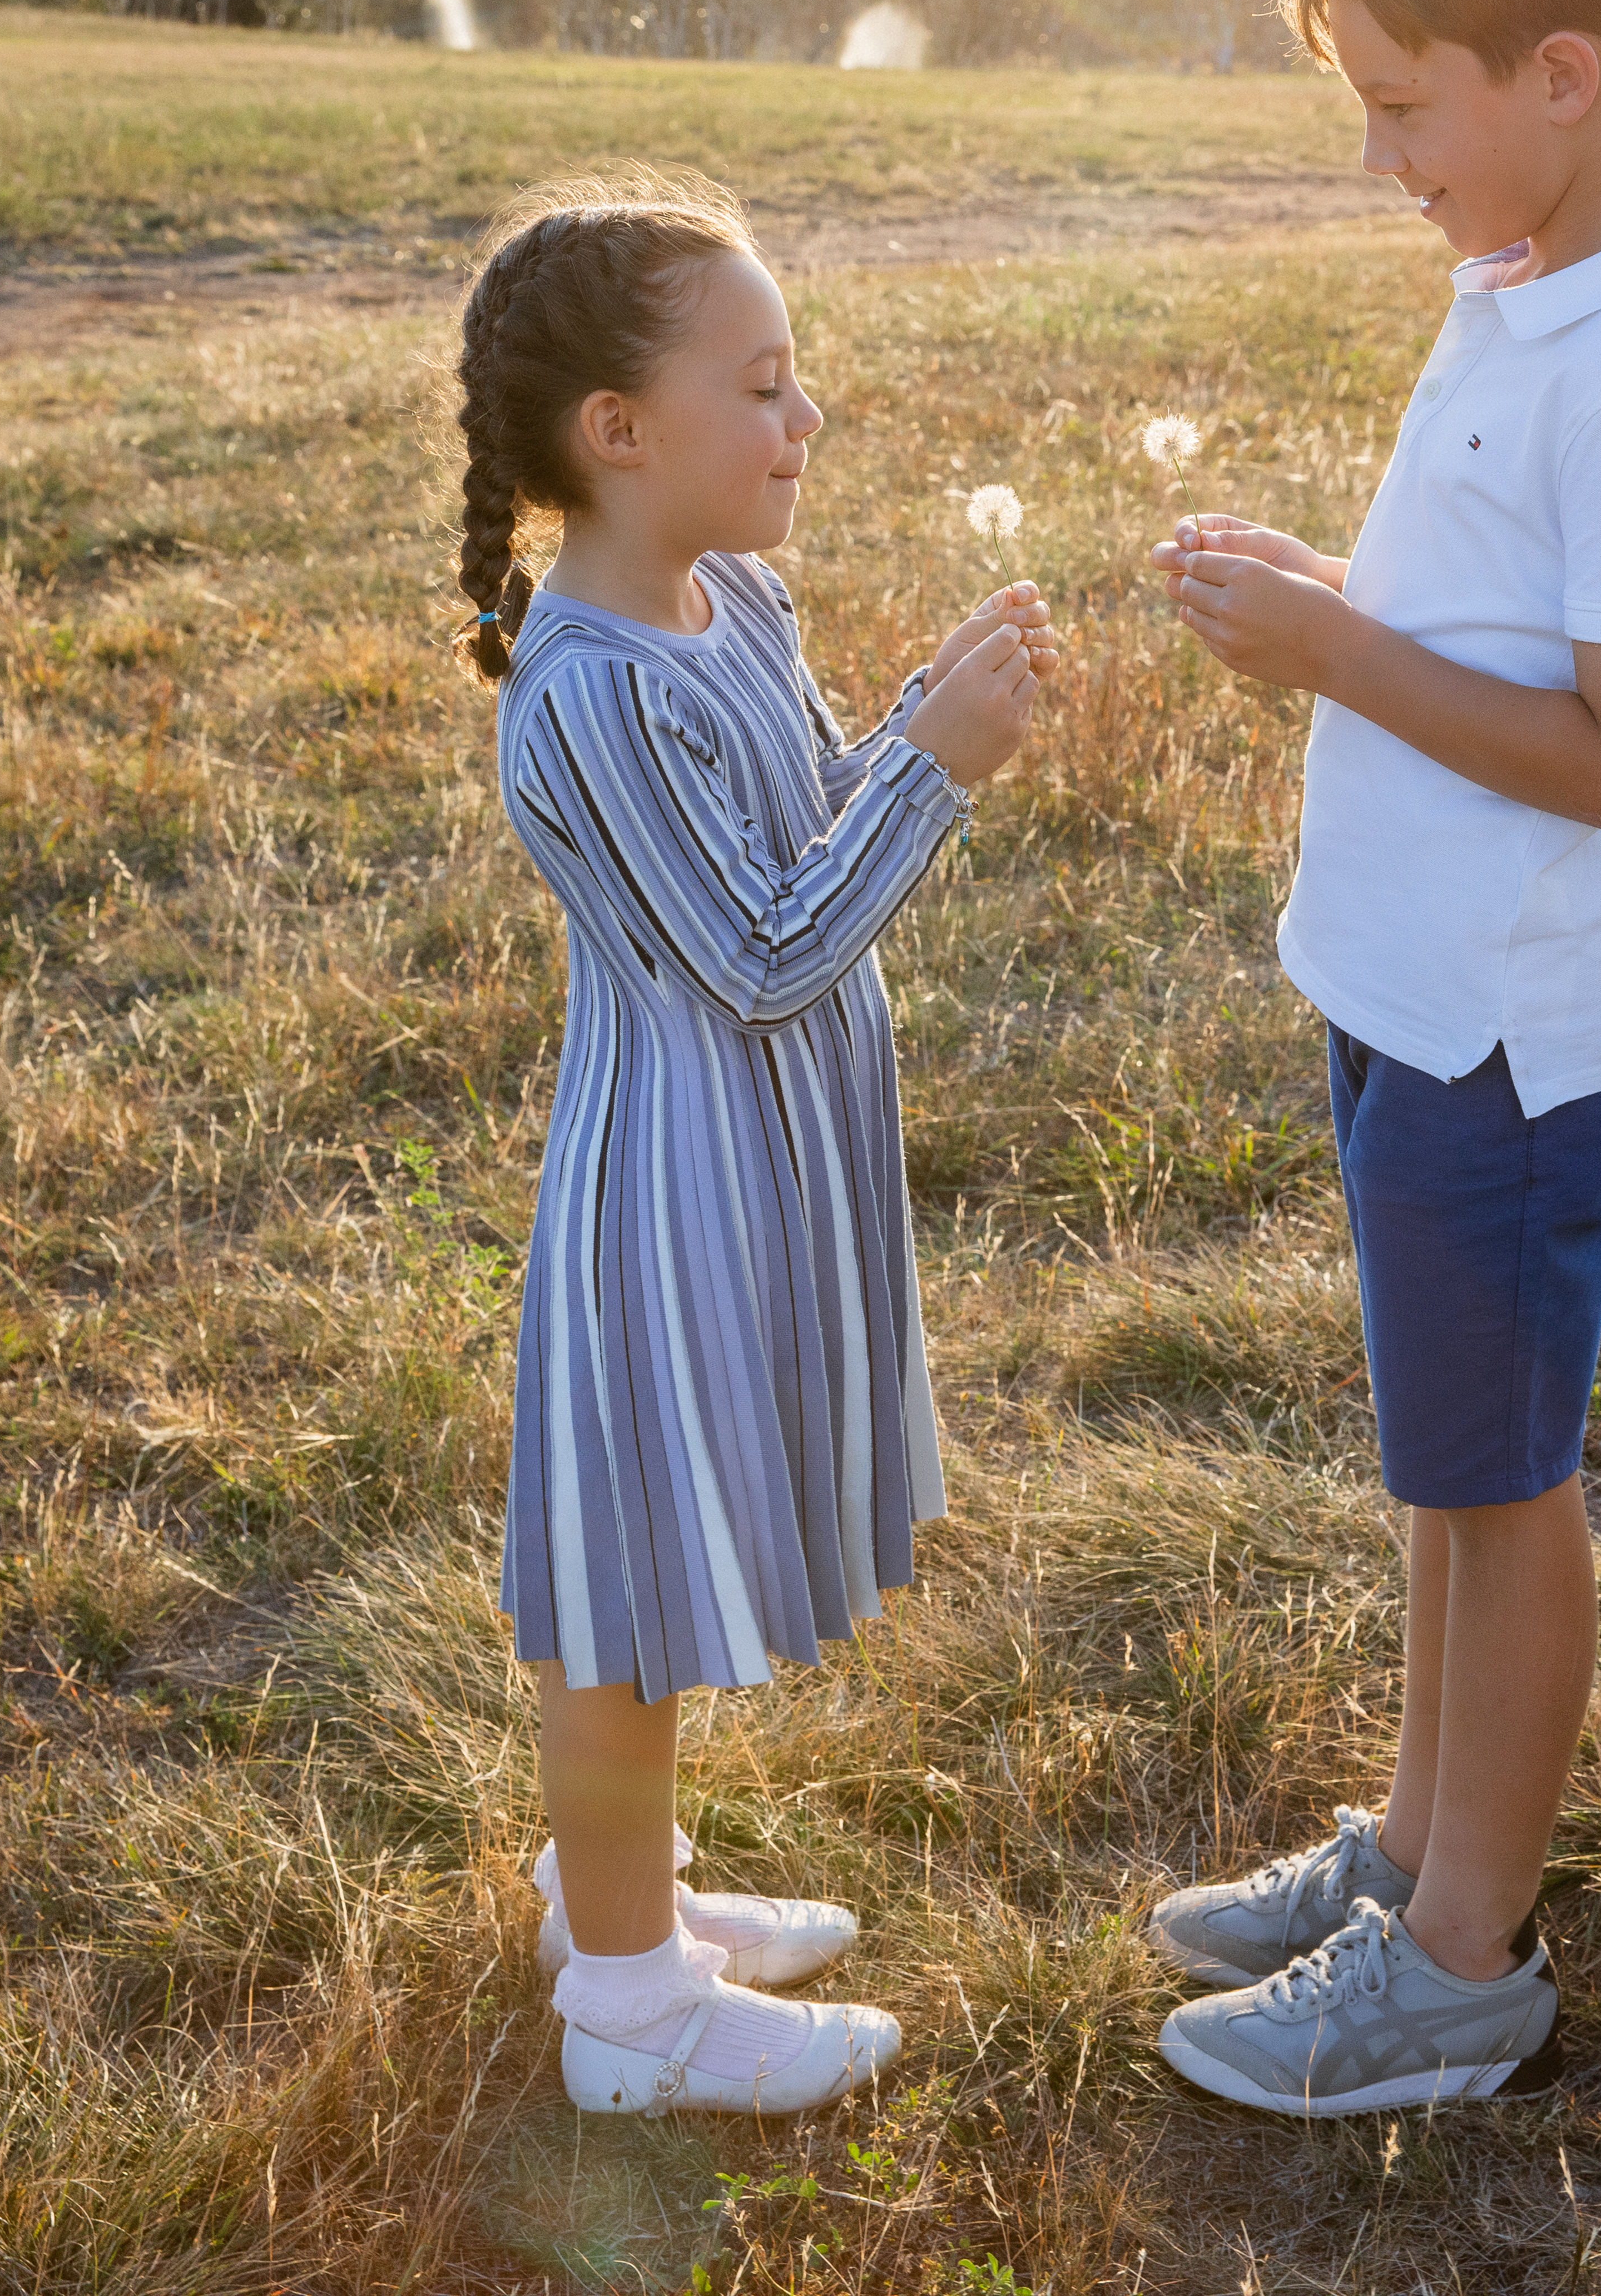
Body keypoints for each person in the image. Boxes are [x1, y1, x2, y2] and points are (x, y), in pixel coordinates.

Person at [1146, 0, 1601, 2118]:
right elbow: (1497, 632)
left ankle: (1468, 1962)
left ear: (1563, 80)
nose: (1389, 159)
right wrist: (1334, 590)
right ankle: (1414, 1851)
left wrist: (1327, 651)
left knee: (1507, 1493)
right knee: (1448, 1467)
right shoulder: (1527, 286)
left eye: (1408, 111)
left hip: (1521, 1031)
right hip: (1413, 991)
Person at [453, 174, 1057, 2117]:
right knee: (630, 1593)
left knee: (676, 1555)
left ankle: (629, 1900)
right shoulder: (590, 697)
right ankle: (627, 2002)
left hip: (771, 1171)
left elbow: (799, 846)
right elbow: (774, 949)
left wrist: (896, 724)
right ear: (617, 438)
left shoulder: (742, 601)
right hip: (672, 1199)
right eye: (768, 386)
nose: (809, 423)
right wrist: (938, 757)